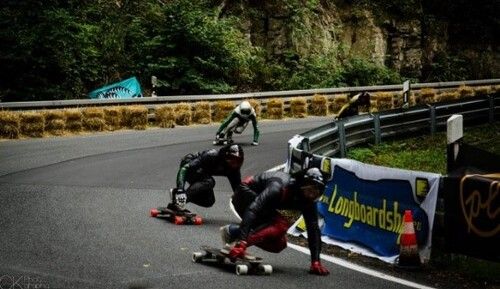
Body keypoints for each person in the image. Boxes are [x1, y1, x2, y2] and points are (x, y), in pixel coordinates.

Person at [220, 167, 330, 275]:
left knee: (279, 244)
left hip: (262, 205)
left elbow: (313, 229)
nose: (312, 194)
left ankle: (232, 232)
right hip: (244, 194)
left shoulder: (309, 200)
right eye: (310, 190)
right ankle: (237, 244)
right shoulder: (279, 187)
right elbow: (253, 209)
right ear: (301, 184)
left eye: (317, 191)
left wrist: (316, 261)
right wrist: (242, 242)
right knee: (281, 225)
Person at [167, 144, 244, 212]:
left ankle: (176, 196)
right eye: (232, 160)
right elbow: (185, 168)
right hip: (189, 164)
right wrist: (180, 188)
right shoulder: (211, 155)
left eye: (238, 161)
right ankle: (179, 200)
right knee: (209, 181)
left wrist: (245, 211)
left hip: (203, 174)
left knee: (209, 201)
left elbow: (239, 192)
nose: (235, 164)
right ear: (225, 156)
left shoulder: (234, 171)